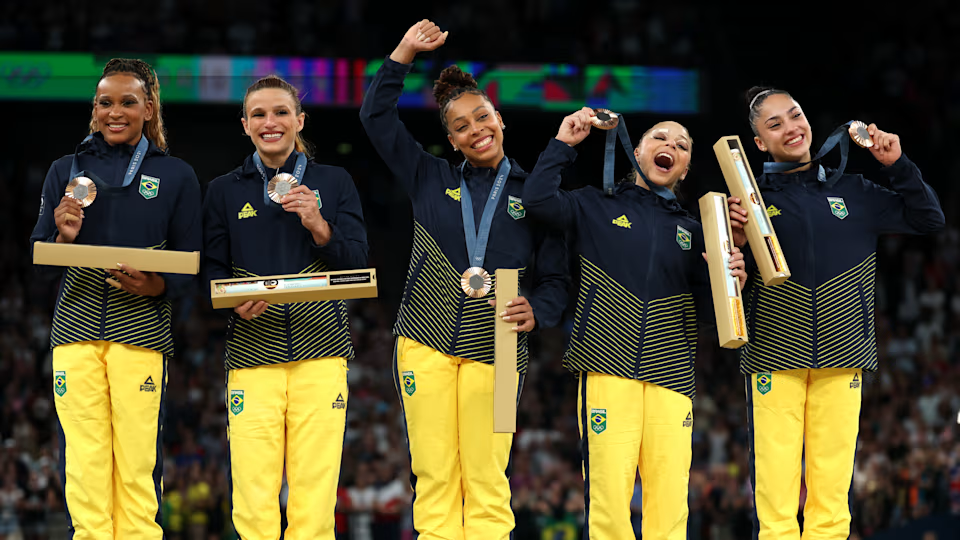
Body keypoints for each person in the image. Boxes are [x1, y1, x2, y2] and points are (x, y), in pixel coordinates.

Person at [359, 19, 568, 539]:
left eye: (483, 117)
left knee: (487, 476)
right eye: (462, 126)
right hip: (424, 341)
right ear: (451, 141)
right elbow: (375, 116)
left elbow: (558, 277)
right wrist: (403, 52)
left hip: (499, 347)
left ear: (500, 120)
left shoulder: (536, 195)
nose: (476, 130)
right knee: (434, 477)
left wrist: (539, 309)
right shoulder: (428, 177)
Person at [728, 87, 945, 539]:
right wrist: (734, 241)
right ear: (760, 144)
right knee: (776, 497)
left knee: (831, 498)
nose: (791, 127)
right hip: (773, 356)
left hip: (844, 354)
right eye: (775, 124)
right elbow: (719, 282)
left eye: (795, 115)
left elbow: (929, 220)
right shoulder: (745, 204)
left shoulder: (854, 190)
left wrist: (897, 165)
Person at [522, 108, 747, 539]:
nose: (671, 147)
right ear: (637, 150)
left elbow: (713, 312)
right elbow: (536, 201)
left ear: (684, 168)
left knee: (669, 505)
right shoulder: (593, 203)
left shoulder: (695, 230)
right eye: (660, 139)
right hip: (607, 369)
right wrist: (563, 144)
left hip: (672, 377)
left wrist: (734, 274)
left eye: (682, 146)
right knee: (609, 503)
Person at [29, 57, 201, 538]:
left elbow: (191, 260)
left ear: (149, 108)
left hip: (142, 334)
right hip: (76, 332)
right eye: (105, 102)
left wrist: (157, 285)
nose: (115, 112)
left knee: (137, 460)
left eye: (128, 102)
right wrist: (63, 238)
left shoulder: (176, 176)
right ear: (94, 109)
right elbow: (39, 254)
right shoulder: (65, 170)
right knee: (83, 458)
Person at [202, 74, 368, 539]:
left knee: (314, 497)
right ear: (244, 124)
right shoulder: (223, 191)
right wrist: (233, 303)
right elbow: (209, 274)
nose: (269, 122)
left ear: (299, 120)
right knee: (253, 496)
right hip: (253, 357)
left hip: (322, 354)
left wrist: (319, 223)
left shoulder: (334, 183)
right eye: (258, 114)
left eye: (280, 113)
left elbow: (356, 263)